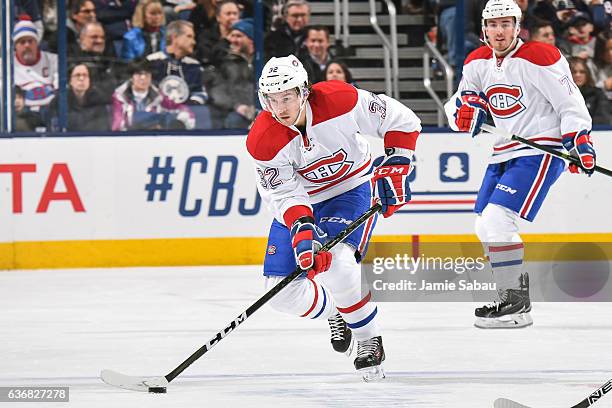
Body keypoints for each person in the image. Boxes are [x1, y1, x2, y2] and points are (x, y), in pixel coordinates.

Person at [247, 55, 421, 380]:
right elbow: (283, 194)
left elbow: (401, 120)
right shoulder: (262, 139)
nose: (280, 106)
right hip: (305, 203)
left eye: (287, 96)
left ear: (303, 91)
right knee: (281, 294)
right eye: (272, 98)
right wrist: (302, 230)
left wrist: (397, 163)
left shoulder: (339, 100)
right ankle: (335, 310)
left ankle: (370, 341)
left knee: (339, 263)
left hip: (351, 188)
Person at [444, 0, 595, 329]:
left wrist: (579, 140)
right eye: (494, 25)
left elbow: (570, 104)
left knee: (499, 218)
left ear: (518, 27)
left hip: (542, 147)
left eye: (506, 24)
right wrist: (465, 108)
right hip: (503, 151)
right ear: (484, 29)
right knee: (484, 225)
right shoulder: (476, 62)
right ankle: (512, 297)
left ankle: (514, 302)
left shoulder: (540, 57)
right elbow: (458, 104)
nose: (500, 31)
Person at [111, 59, 194, 130]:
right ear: (131, 77)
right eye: (139, 74)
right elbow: (117, 125)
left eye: (147, 74)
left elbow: (181, 109)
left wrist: (185, 116)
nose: (143, 78)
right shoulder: (120, 97)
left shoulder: (159, 96)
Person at [13, 17, 58, 112]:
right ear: (15, 46)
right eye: (22, 42)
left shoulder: (54, 60)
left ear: (37, 43)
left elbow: (60, 91)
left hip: (51, 113)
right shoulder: (4, 65)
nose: (27, 45)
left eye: (30, 41)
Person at [49, 63, 111, 131]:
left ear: (89, 80)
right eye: (77, 75)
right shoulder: (59, 101)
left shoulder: (99, 100)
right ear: (70, 81)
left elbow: (103, 127)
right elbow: (54, 128)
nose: (81, 78)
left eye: (85, 75)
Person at [568, 57, 610, 124]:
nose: (578, 75)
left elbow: (603, 118)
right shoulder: (562, 95)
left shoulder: (597, 94)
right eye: (574, 72)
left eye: (582, 72)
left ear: (587, 74)